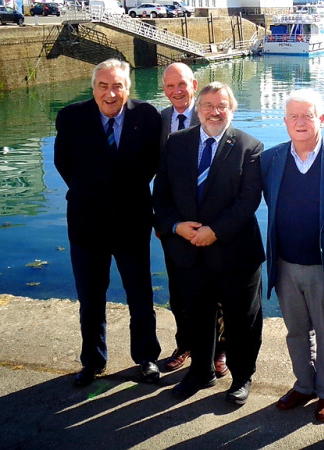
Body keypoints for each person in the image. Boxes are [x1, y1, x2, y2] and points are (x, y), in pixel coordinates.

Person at [153, 82, 265, 405]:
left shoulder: (249, 147)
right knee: (197, 315)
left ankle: (241, 377)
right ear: (198, 109)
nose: (215, 112)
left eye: (222, 106)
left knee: (240, 320)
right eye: (208, 106)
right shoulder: (176, 143)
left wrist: (214, 231)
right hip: (189, 251)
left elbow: (248, 202)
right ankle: (201, 372)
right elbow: (161, 194)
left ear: (232, 109)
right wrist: (176, 226)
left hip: (235, 253)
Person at [54, 58, 162, 388]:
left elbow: (152, 163)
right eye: (103, 85)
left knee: (140, 295)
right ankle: (93, 361)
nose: (110, 93)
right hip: (87, 225)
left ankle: (146, 358)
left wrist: (123, 193)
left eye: (117, 85)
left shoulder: (147, 116)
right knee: (90, 299)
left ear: (128, 87)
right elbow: (63, 164)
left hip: (132, 223)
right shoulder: (71, 117)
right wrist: (93, 192)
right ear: (93, 87)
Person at [261, 89, 324, 423]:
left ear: (321, 119)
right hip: (284, 264)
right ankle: (304, 384)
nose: (300, 122)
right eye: (293, 116)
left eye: (307, 115)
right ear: (284, 122)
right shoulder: (271, 159)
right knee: (296, 331)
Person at [158, 62, 227, 378]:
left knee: (217, 292)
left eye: (182, 84)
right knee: (179, 291)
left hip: (211, 227)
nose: (176, 91)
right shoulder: (161, 120)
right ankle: (185, 344)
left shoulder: (211, 117)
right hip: (175, 226)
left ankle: (218, 350)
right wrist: (164, 222)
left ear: (194, 84)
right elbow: (154, 175)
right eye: (170, 86)